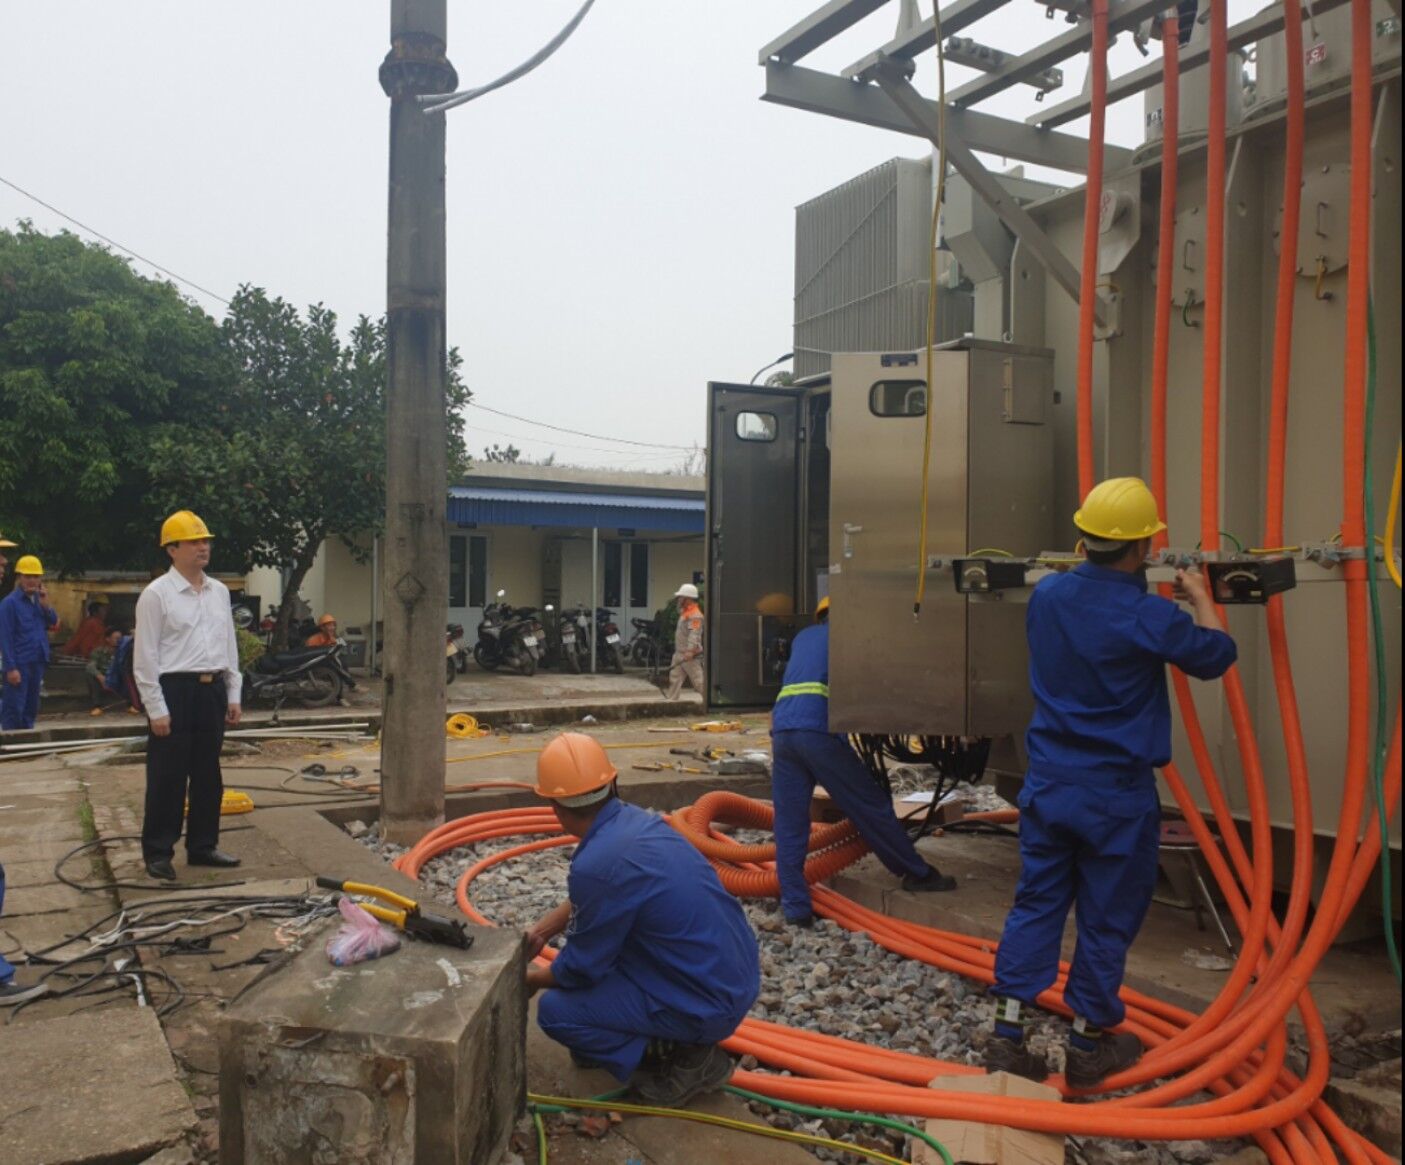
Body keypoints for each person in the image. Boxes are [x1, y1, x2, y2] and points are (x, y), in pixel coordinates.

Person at [984, 477, 1237, 1088]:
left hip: (1050, 783)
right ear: (1143, 547)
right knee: (1105, 917)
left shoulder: (1049, 596)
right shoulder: (1149, 615)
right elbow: (1216, 655)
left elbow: (1084, 605)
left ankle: (1007, 1037)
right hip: (1115, 796)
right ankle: (1087, 1046)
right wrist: (1200, 598)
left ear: (1083, 539)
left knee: (1037, 903)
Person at [524, 733, 760, 1106]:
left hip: (707, 1001)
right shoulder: (636, 824)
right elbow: (604, 890)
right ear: (612, 783)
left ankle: (690, 1060)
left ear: (555, 806)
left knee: (556, 1012)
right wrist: (541, 930)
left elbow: (580, 969)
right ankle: (636, 1037)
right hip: (731, 975)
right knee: (604, 975)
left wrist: (528, 981)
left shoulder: (597, 864)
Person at [770, 596, 956, 927]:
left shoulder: (804, 637)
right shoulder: (849, 639)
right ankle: (917, 873)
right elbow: (874, 686)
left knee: (789, 823)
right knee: (870, 805)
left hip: (783, 731)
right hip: (817, 731)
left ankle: (796, 908)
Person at [134, 510, 243, 881]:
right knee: (168, 775)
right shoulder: (157, 595)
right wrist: (156, 708)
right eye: (194, 542)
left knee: (208, 773)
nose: (202, 547)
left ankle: (203, 846)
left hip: (211, 689)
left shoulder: (219, 592)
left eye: (205, 541)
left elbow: (229, 644)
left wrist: (233, 693)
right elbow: (145, 657)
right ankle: (158, 851)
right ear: (172, 549)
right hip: (175, 690)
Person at [0, 556, 59, 731]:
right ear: (20, 577)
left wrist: (46, 606)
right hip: (19, 662)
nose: (32, 580)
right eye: (27, 576)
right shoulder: (9, 604)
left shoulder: (39, 601)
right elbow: (5, 638)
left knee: (31, 706)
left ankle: (27, 737)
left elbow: (53, 622)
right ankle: (11, 741)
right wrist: (11, 668)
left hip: (37, 659)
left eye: (36, 576)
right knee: (14, 706)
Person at [663, 583, 704, 700]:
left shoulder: (695, 616)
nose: (679, 599)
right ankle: (671, 700)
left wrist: (690, 651)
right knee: (674, 678)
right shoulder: (685, 612)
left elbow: (694, 634)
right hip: (679, 653)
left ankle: (711, 701)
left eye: (681, 597)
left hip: (689, 655)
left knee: (699, 681)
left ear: (688, 598)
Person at [85, 626, 125, 715]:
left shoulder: (124, 652)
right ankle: (97, 706)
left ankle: (133, 704)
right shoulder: (98, 651)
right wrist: (100, 677)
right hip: (105, 678)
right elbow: (90, 666)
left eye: (120, 638)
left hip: (120, 678)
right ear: (108, 639)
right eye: (116, 638)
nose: (119, 640)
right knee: (90, 675)